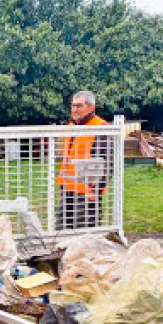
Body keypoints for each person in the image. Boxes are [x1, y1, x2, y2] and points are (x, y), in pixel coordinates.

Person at [58, 90, 112, 230]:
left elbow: (108, 163)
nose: (74, 109)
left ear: (91, 107)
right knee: (62, 231)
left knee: (85, 232)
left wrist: (96, 190)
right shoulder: (69, 126)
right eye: (73, 106)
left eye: (79, 106)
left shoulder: (101, 128)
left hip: (87, 192)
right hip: (68, 188)